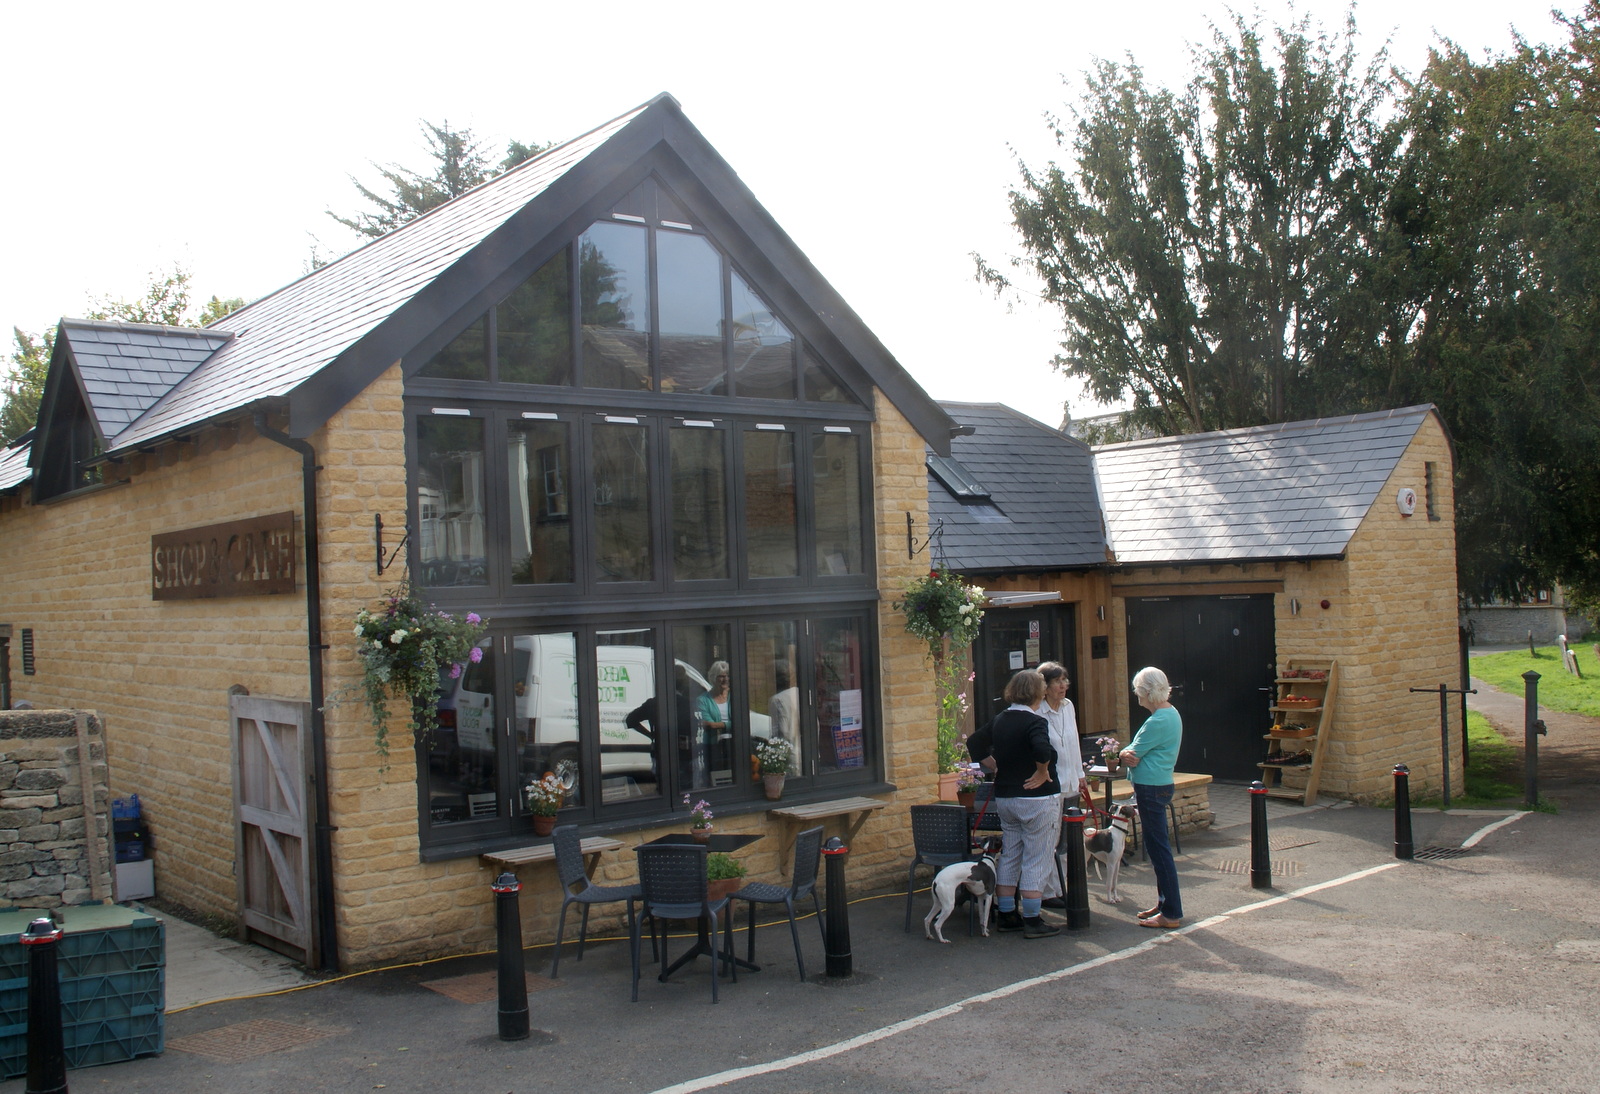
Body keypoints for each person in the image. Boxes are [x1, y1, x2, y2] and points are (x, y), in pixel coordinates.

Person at [966, 669, 1061, 939]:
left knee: (1011, 854)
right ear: (1037, 693)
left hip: (1007, 797)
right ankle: (1032, 918)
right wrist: (1043, 771)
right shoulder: (1035, 722)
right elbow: (1042, 750)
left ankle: (1007, 914)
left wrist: (994, 764)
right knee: (1037, 857)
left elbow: (974, 742)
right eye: (1043, 688)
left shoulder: (1001, 719)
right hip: (1037, 799)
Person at [1121, 666, 1183, 929]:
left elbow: (1133, 753)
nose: (1137, 695)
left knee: (1158, 850)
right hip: (1159, 784)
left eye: (1138, 690)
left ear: (1145, 692)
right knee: (1158, 849)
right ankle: (1164, 902)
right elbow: (1134, 753)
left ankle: (1170, 913)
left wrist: (1124, 754)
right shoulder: (1170, 714)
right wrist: (1127, 753)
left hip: (1150, 787)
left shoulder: (1157, 720)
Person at [1035, 662, 1086, 910]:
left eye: (1065, 680)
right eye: (1057, 681)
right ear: (1044, 687)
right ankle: (1046, 892)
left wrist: (1080, 773)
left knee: (1067, 841)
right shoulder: (1038, 712)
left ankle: (1061, 888)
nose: (1063, 685)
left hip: (1071, 783)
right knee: (1050, 840)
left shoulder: (1069, 707)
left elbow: (1074, 741)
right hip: (1051, 786)